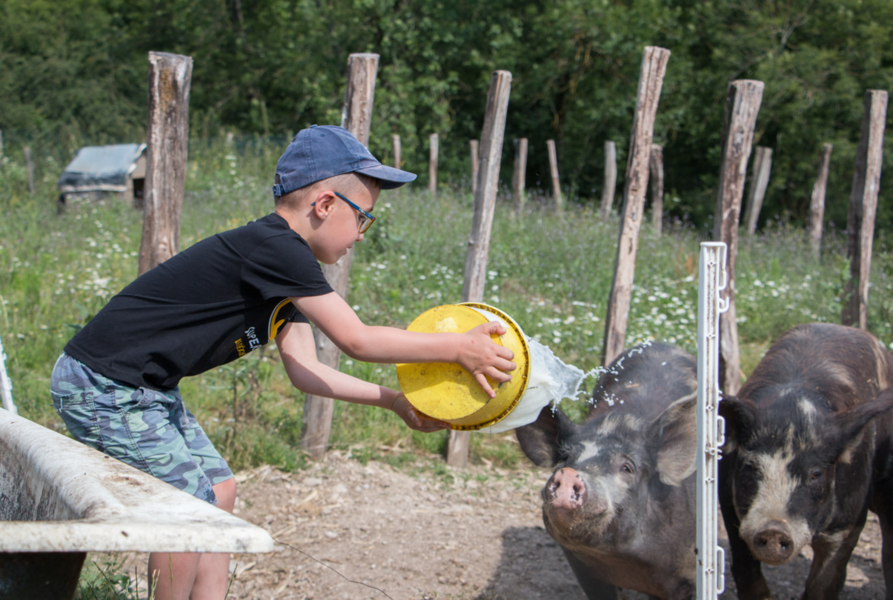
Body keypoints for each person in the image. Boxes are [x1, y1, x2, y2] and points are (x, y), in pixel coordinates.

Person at [50, 124, 516, 600]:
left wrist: (394, 401)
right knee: (186, 504)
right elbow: (357, 339)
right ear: (325, 204)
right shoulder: (277, 249)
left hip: (146, 388)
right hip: (102, 385)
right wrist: (458, 348)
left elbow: (305, 370)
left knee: (220, 491)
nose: (361, 235)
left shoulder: (286, 269)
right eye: (364, 218)